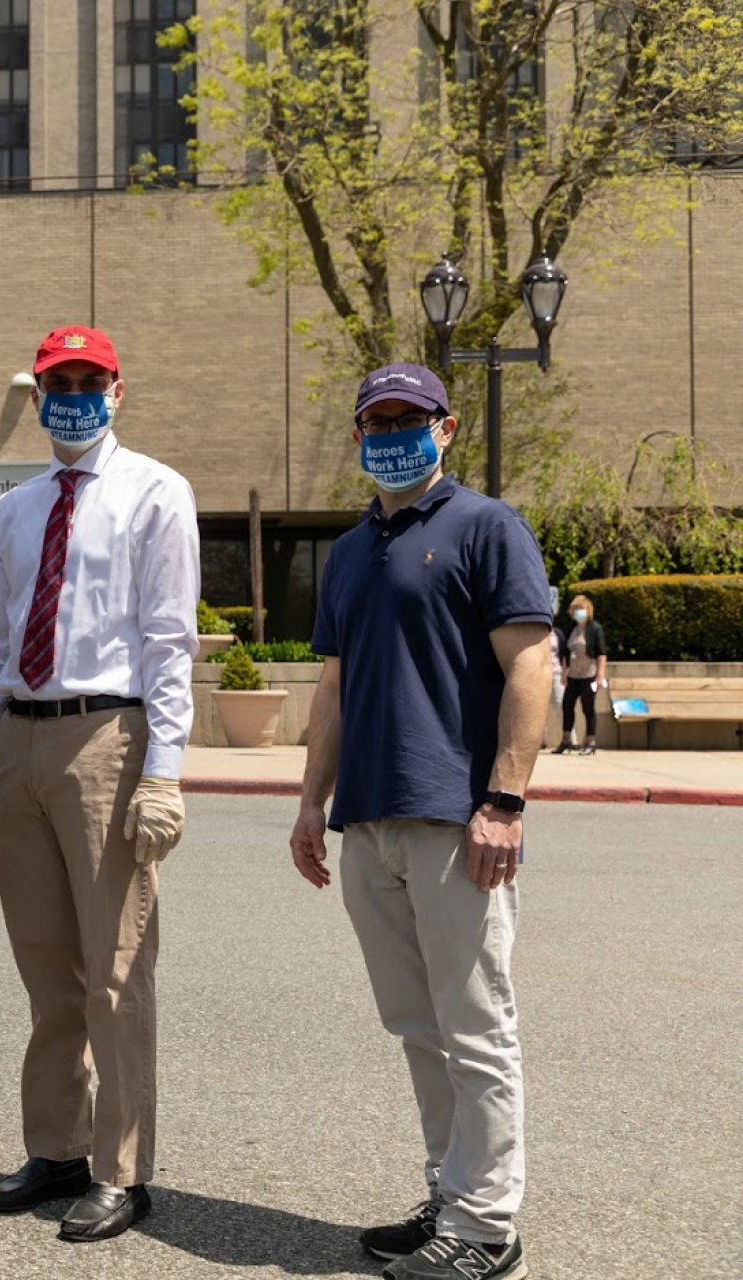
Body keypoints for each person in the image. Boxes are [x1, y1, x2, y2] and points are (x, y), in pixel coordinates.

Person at [289, 363, 550, 1280]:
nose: (392, 431)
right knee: (416, 1025)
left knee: (475, 1026)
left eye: (410, 417)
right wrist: (311, 801)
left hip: (456, 818)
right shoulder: (352, 549)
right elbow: (331, 686)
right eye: (377, 419)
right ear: (360, 435)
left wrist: (505, 800)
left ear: (445, 429)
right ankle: (449, 1192)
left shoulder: (487, 526)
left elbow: (531, 667)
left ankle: (486, 1227)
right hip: (369, 819)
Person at [0, 325, 199, 1243]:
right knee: (48, 972)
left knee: (116, 970)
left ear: (118, 390)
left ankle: (122, 1171)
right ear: (38, 393)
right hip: (20, 737)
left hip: (107, 736)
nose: (74, 395)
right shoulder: (15, 509)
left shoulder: (155, 492)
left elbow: (171, 644)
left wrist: (164, 773)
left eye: (91, 380)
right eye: (58, 381)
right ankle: (57, 1148)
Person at [552, 594, 607, 755]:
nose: (578, 613)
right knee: (567, 706)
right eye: (575, 610)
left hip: (589, 675)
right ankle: (566, 740)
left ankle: (590, 741)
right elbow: (565, 653)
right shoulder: (571, 629)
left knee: (588, 708)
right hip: (573, 675)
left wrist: (600, 676)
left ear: (588, 610)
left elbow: (601, 653)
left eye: (581, 609)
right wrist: (564, 672)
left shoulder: (595, 628)